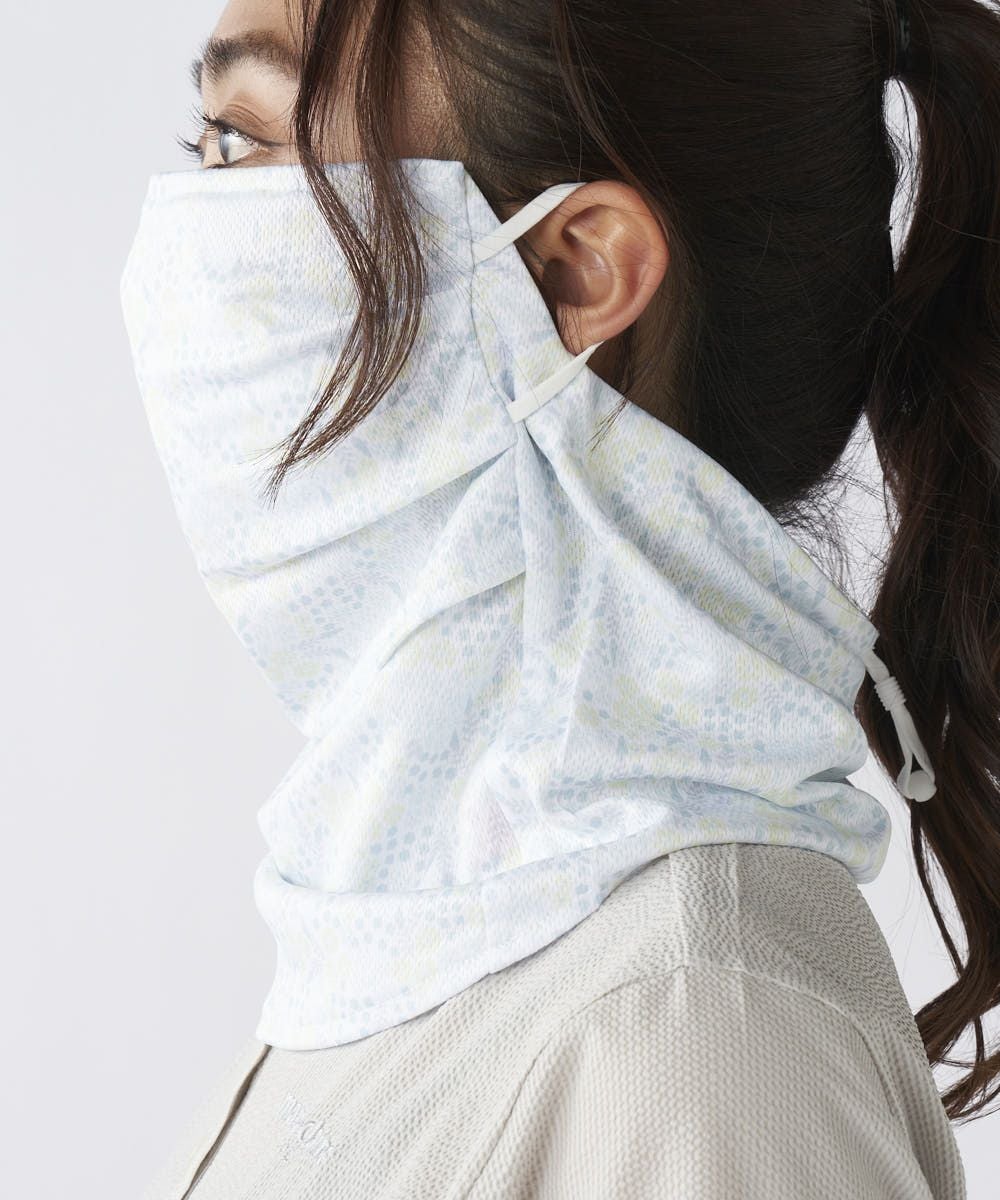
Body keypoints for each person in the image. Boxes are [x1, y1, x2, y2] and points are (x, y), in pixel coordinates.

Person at [120, 0, 1000, 1196]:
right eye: (210, 138)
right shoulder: (420, 926)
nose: (189, 229)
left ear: (576, 269)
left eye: (246, 139)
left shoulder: (700, 1038)